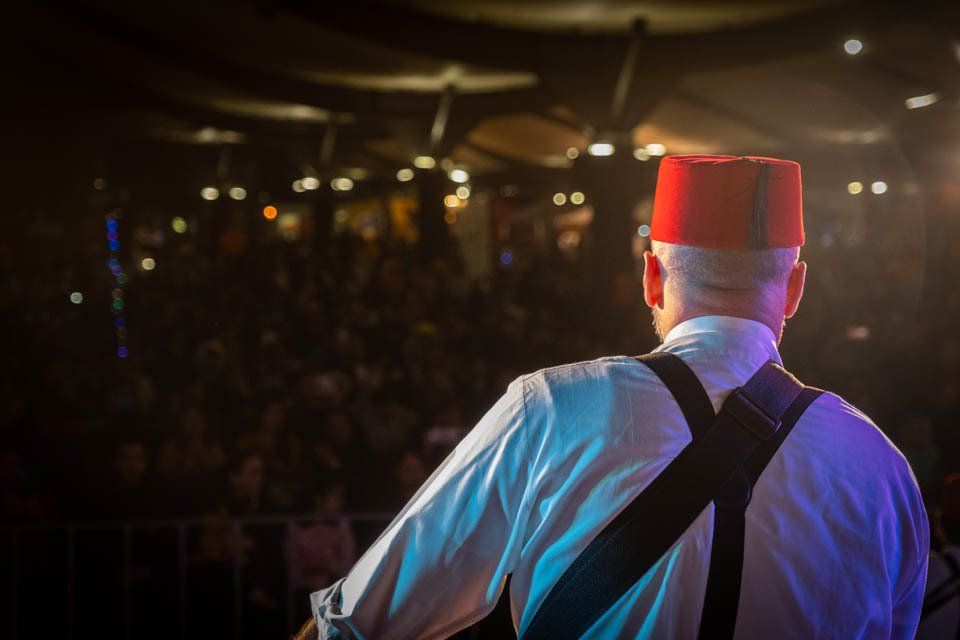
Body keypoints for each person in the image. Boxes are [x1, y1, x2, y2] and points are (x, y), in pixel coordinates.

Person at [296, 155, 928, 639]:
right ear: (794, 289)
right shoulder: (882, 468)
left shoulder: (549, 409)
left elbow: (355, 626)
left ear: (651, 277)